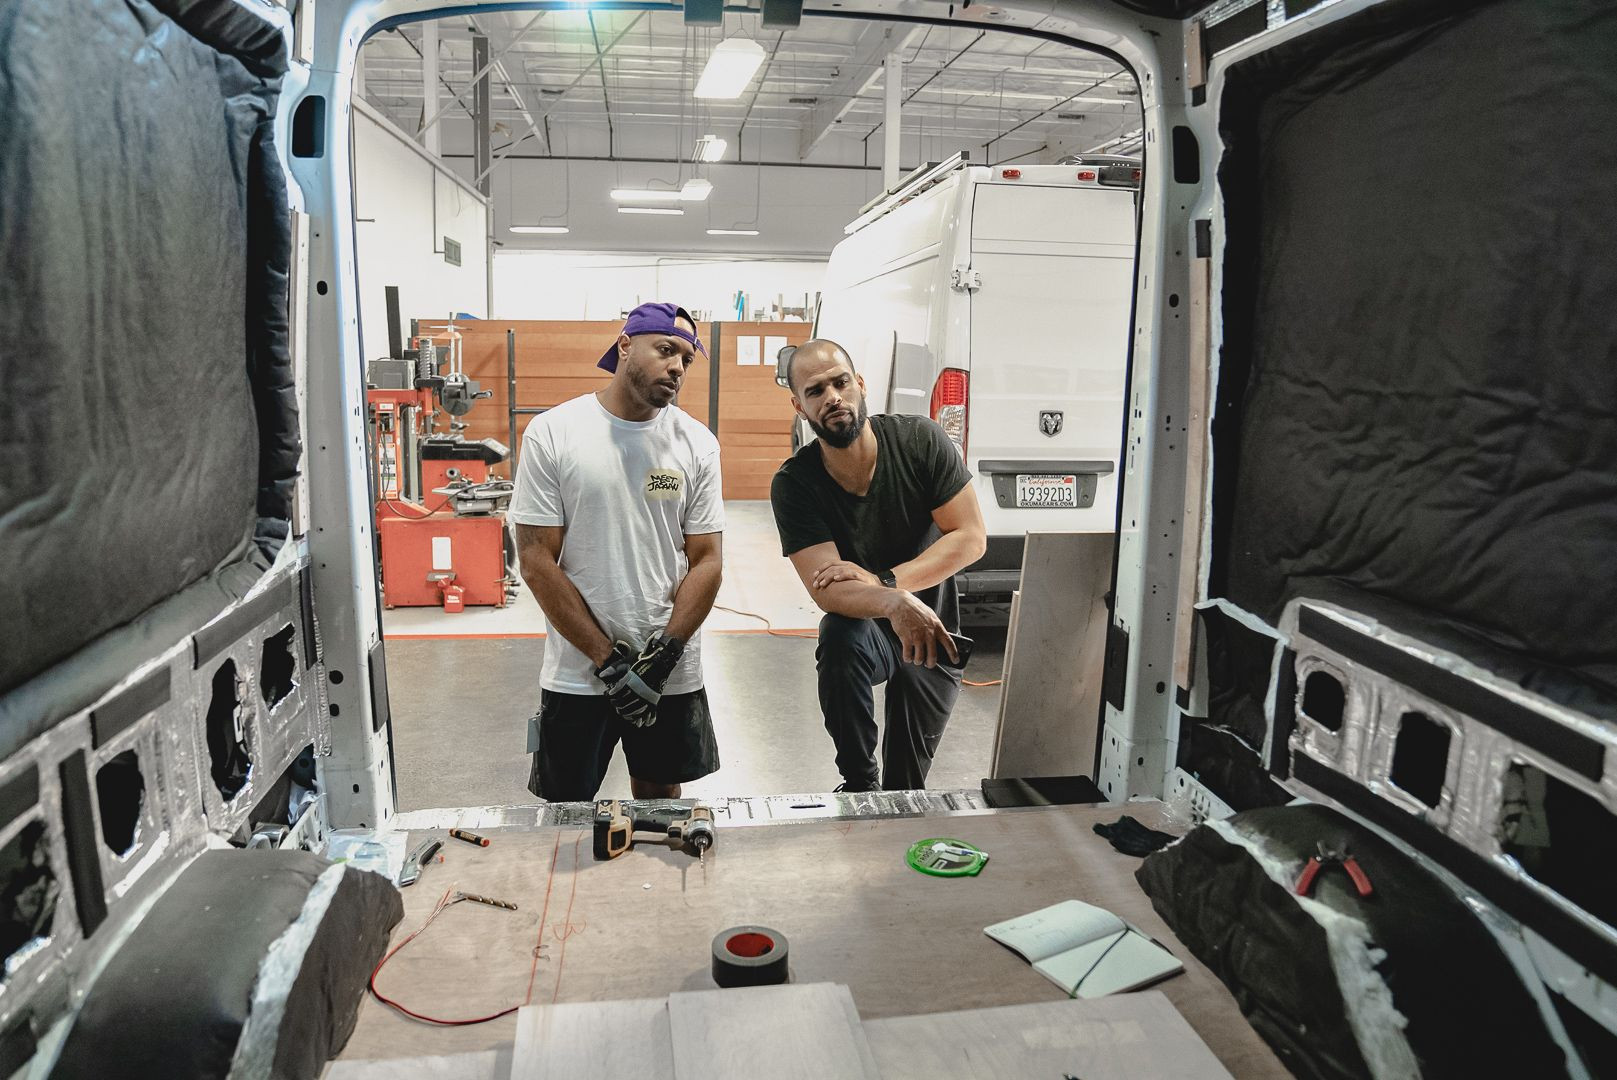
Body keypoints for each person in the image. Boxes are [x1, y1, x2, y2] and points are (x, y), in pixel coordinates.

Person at [508, 302, 725, 802]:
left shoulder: (697, 443)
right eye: (665, 350)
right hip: (578, 671)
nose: (677, 367)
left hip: (667, 671)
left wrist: (664, 657)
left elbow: (708, 560)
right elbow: (536, 559)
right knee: (565, 808)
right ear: (625, 345)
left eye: (686, 359)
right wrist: (607, 661)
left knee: (660, 801)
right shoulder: (554, 432)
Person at [770, 339, 987, 792]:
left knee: (906, 788)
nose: (832, 397)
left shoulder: (920, 441)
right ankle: (859, 782)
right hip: (870, 632)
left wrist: (886, 583)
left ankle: (892, 800)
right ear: (799, 407)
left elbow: (970, 537)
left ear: (860, 384)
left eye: (840, 383)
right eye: (815, 391)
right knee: (839, 635)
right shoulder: (796, 484)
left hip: (932, 634)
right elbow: (828, 590)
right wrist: (891, 603)